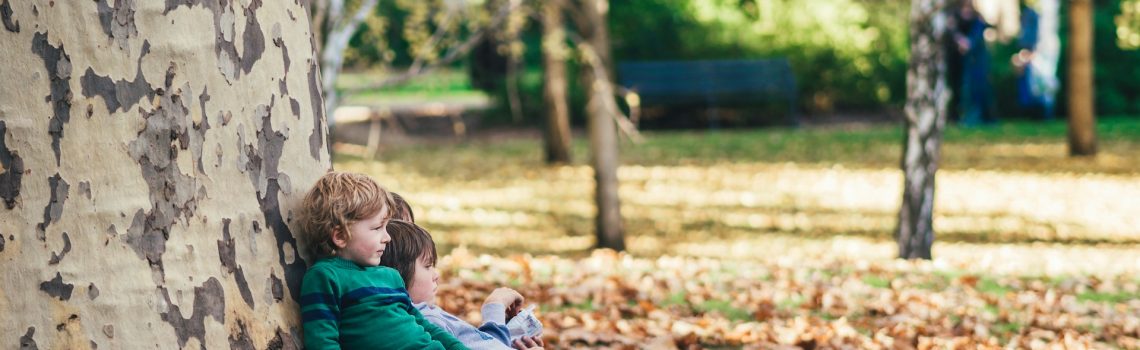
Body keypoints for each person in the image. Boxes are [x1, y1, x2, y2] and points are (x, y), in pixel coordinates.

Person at [296, 171, 468, 350]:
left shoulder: (390, 276)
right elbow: (322, 342)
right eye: (378, 227)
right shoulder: (325, 277)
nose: (387, 237)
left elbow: (425, 326)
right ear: (340, 235)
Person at [379, 220, 545, 350]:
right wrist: (494, 308)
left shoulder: (428, 315)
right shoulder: (427, 323)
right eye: (428, 266)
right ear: (397, 273)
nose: (436, 275)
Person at [952, 0, 997, 126]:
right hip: (967, 62)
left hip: (978, 61)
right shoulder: (957, 20)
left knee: (980, 89)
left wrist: (966, 43)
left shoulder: (978, 21)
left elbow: (974, 40)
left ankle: (983, 117)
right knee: (967, 89)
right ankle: (969, 116)